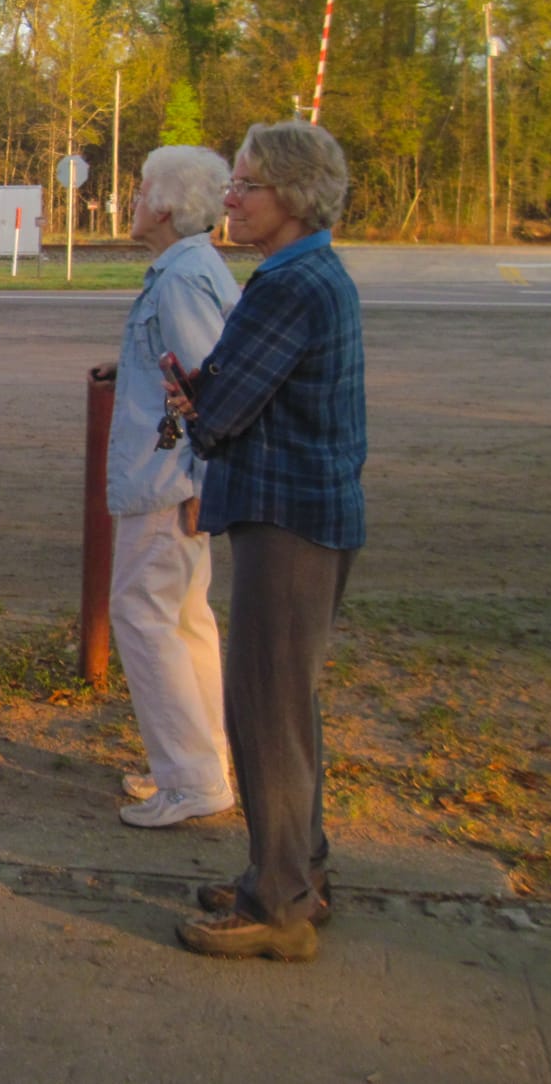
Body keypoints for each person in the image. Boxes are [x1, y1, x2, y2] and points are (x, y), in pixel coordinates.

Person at [170, 119, 365, 963]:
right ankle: (298, 872)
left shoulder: (288, 286)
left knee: (266, 713)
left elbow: (221, 414)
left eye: (246, 184)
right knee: (289, 707)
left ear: (292, 196)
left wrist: (193, 404)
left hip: (286, 521)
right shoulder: (311, 271)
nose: (232, 198)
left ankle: (278, 902)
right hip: (312, 513)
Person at [100, 146, 240, 828]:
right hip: (179, 476)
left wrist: (200, 481)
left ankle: (191, 779)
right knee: (185, 621)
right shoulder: (188, 269)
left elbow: (208, 386)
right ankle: (201, 764)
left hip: (169, 480)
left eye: (140, 187)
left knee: (145, 616)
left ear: (165, 206)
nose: (132, 198)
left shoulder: (182, 279)